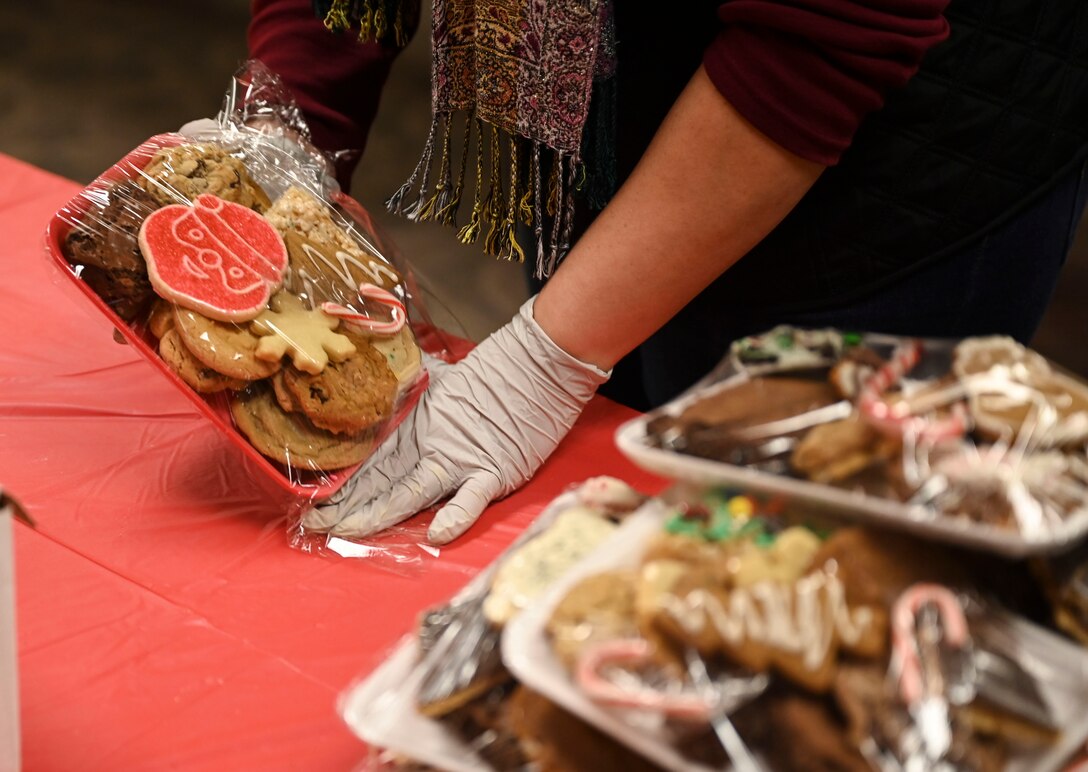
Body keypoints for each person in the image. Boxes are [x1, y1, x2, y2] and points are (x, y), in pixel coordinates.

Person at [249, 0, 1088, 544]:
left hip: (896, 175)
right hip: (615, 74)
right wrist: (292, 132)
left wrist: (541, 365)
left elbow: (834, 29)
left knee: (792, 589)